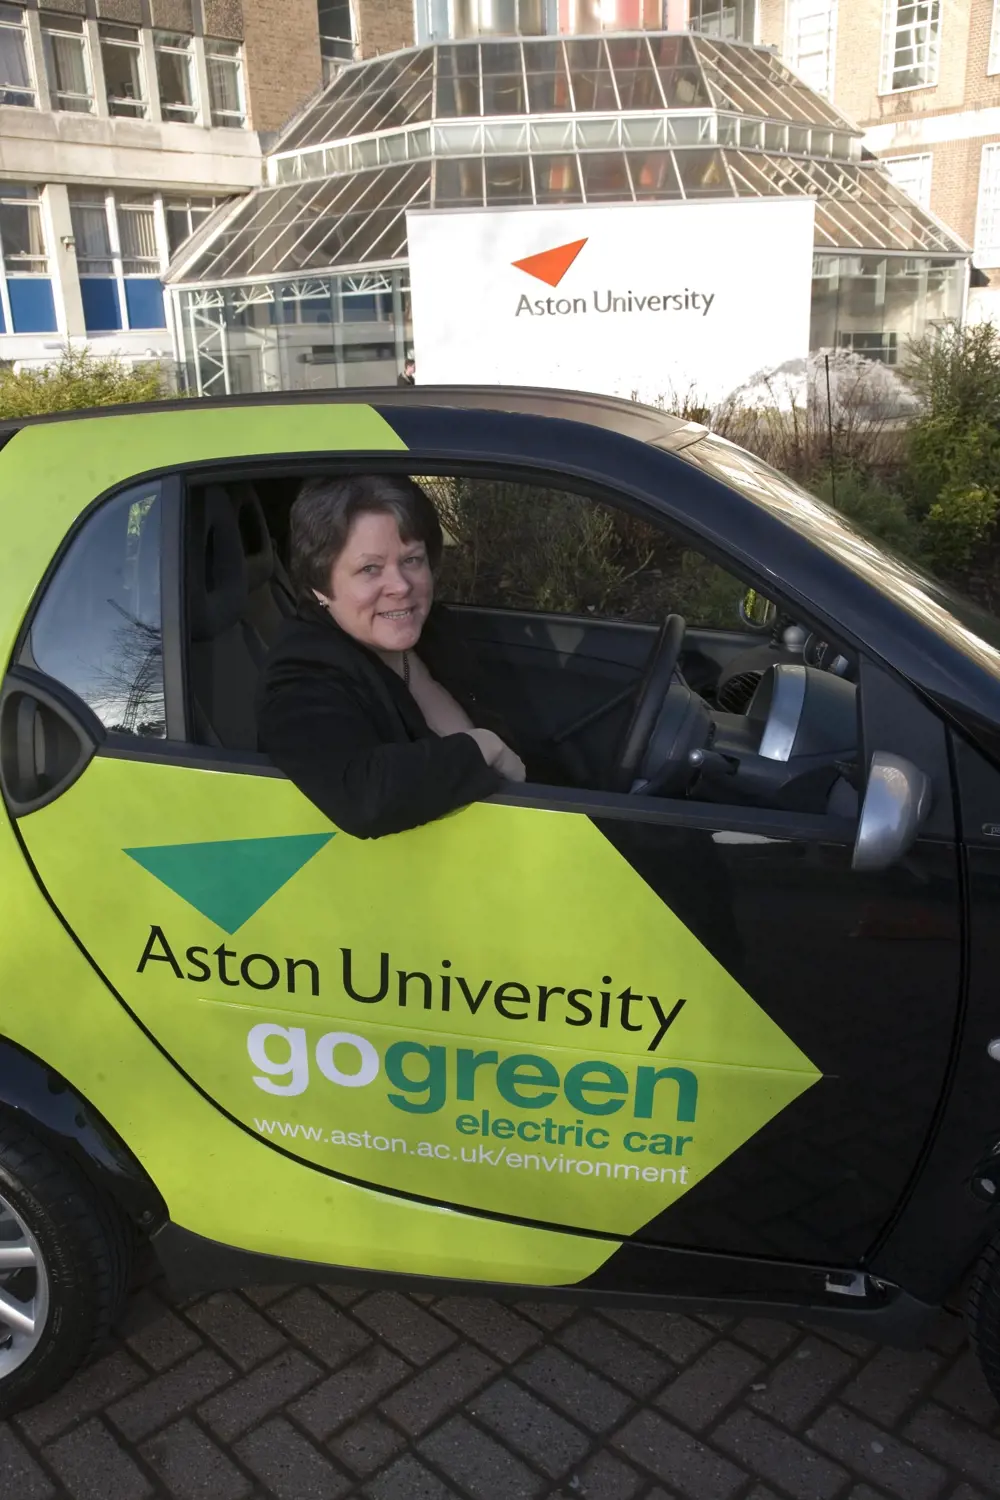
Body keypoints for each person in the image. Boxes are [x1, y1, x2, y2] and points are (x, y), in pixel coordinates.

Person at [257, 474, 526, 839]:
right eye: (370, 568)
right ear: (320, 585)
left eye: (412, 559)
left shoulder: (432, 632)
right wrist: (483, 747)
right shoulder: (302, 674)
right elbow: (362, 797)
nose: (401, 586)